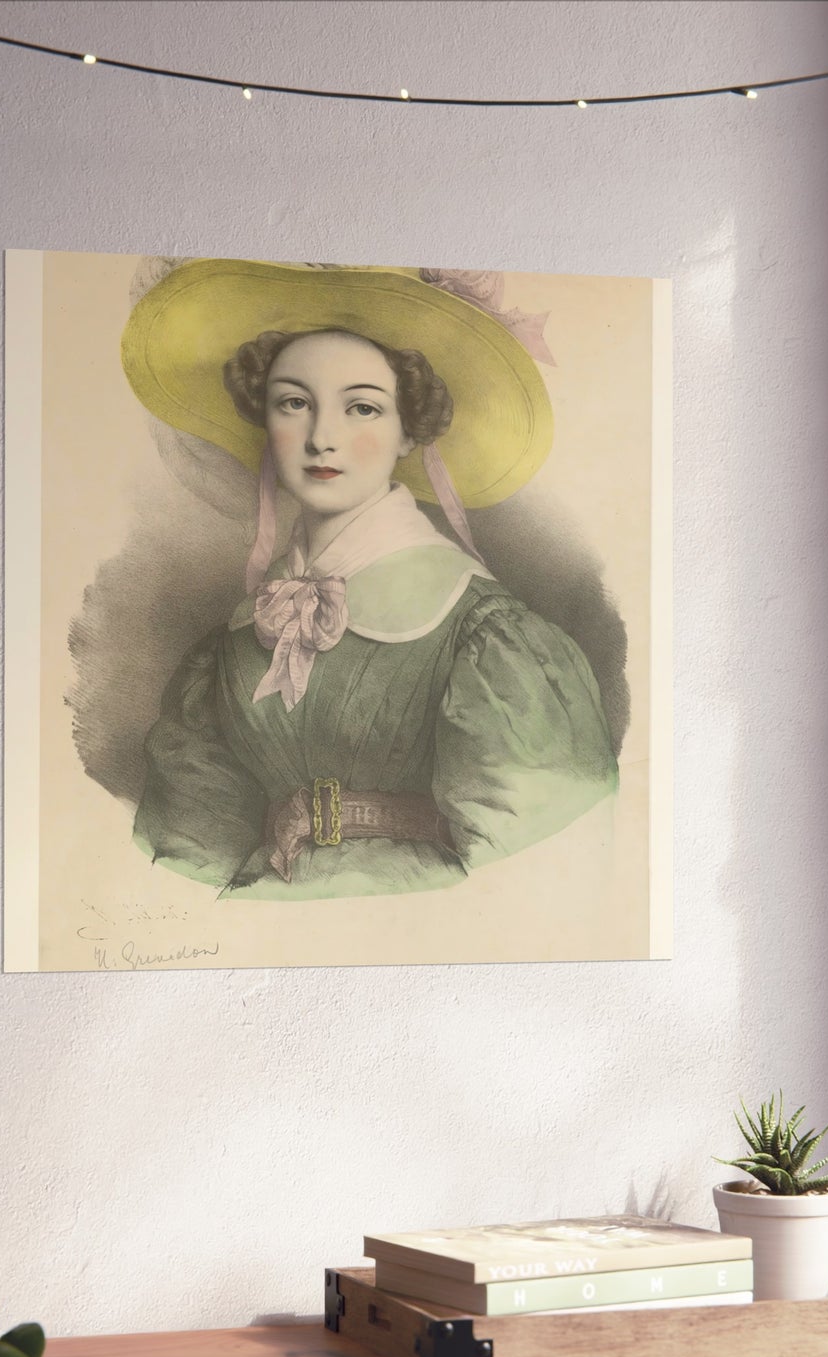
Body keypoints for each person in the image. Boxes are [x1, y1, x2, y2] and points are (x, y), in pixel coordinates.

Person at [118, 259, 618, 900]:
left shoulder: (485, 634)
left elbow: (540, 861)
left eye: (362, 408)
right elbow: (188, 864)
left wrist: (360, 815)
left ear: (408, 429)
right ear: (264, 424)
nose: (324, 437)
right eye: (295, 403)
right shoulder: (235, 643)